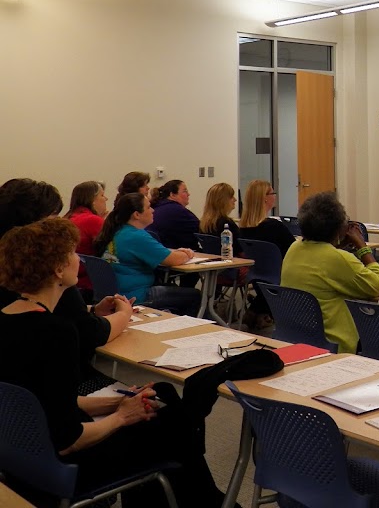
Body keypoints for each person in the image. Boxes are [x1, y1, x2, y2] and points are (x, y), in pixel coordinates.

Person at [0, 218, 229, 507]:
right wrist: (122, 416)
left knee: (160, 394)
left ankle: (200, 497)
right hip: (58, 469)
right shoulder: (56, 333)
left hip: (18, 456)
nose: (78, 258)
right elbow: (70, 440)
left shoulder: (9, 319)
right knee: (169, 425)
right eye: (71, 254)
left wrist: (116, 404)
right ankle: (206, 499)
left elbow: (45, 399)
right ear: (58, 269)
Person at [0, 178, 133, 393]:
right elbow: (88, 333)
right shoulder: (48, 279)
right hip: (52, 387)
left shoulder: (13, 272)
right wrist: (124, 314)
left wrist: (90, 310)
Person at [280, 191, 379, 353]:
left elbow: (321, 258)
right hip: (334, 343)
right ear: (338, 228)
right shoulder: (338, 259)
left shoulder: (294, 248)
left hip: (297, 337)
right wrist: (363, 247)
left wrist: (336, 246)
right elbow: (378, 286)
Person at [95, 193, 202, 316]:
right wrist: (188, 253)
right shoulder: (136, 236)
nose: (152, 210)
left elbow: (159, 251)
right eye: (148, 207)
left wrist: (177, 252)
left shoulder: (118, 231)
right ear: (137, 214)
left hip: (118, 292)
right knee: (194, 296)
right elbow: (172, 260)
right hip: (137, 295)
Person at [238, 179, 295, 329]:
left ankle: (257, 311)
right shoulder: (274, 227)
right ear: (265, 198)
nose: (275, 195)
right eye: (272, 193)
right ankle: (260, 311)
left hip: (257, 275)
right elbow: (294, 248)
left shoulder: (243, 228)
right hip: (281, 275)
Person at [65, 180, 108, 301]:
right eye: (102, 195)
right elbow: (112, 254)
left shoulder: (68, 217)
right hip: (89, 285)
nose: (106, 199)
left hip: (70, 284)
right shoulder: (92, 221)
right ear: (92, 200)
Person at [149, 180, 200, 250]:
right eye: (185, 191)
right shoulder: (178, 211)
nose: (188, 194)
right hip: (176, 252)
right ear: (172, 195)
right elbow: (200, 229)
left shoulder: (156, 207)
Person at [199, 182, 242, 257]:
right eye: (231, 197)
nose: (235, 200)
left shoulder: (204, 224)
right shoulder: (227, 224)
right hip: (233, 263)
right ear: (222, 201)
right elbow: (241, 250)